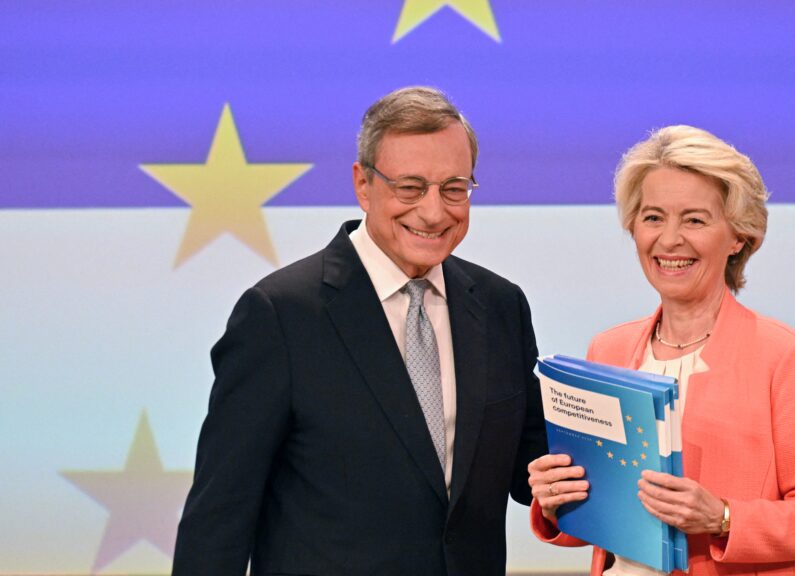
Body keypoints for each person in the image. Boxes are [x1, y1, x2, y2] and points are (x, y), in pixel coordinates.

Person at [172, 86, 547, 576]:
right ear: (363, 184)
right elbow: (218, 518)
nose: (434, 212)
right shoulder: (279, 316)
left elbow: (532, 466)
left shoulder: (501, 306)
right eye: (410, 187)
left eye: (454, 188)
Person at [527, 125, 795, 576]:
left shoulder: (785, 357)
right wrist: (556, 499)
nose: (669, 240)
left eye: (695, 220)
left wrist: (723, 518)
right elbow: (603, 516)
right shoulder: (609, 348)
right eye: (653, 217)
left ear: (738, 236)